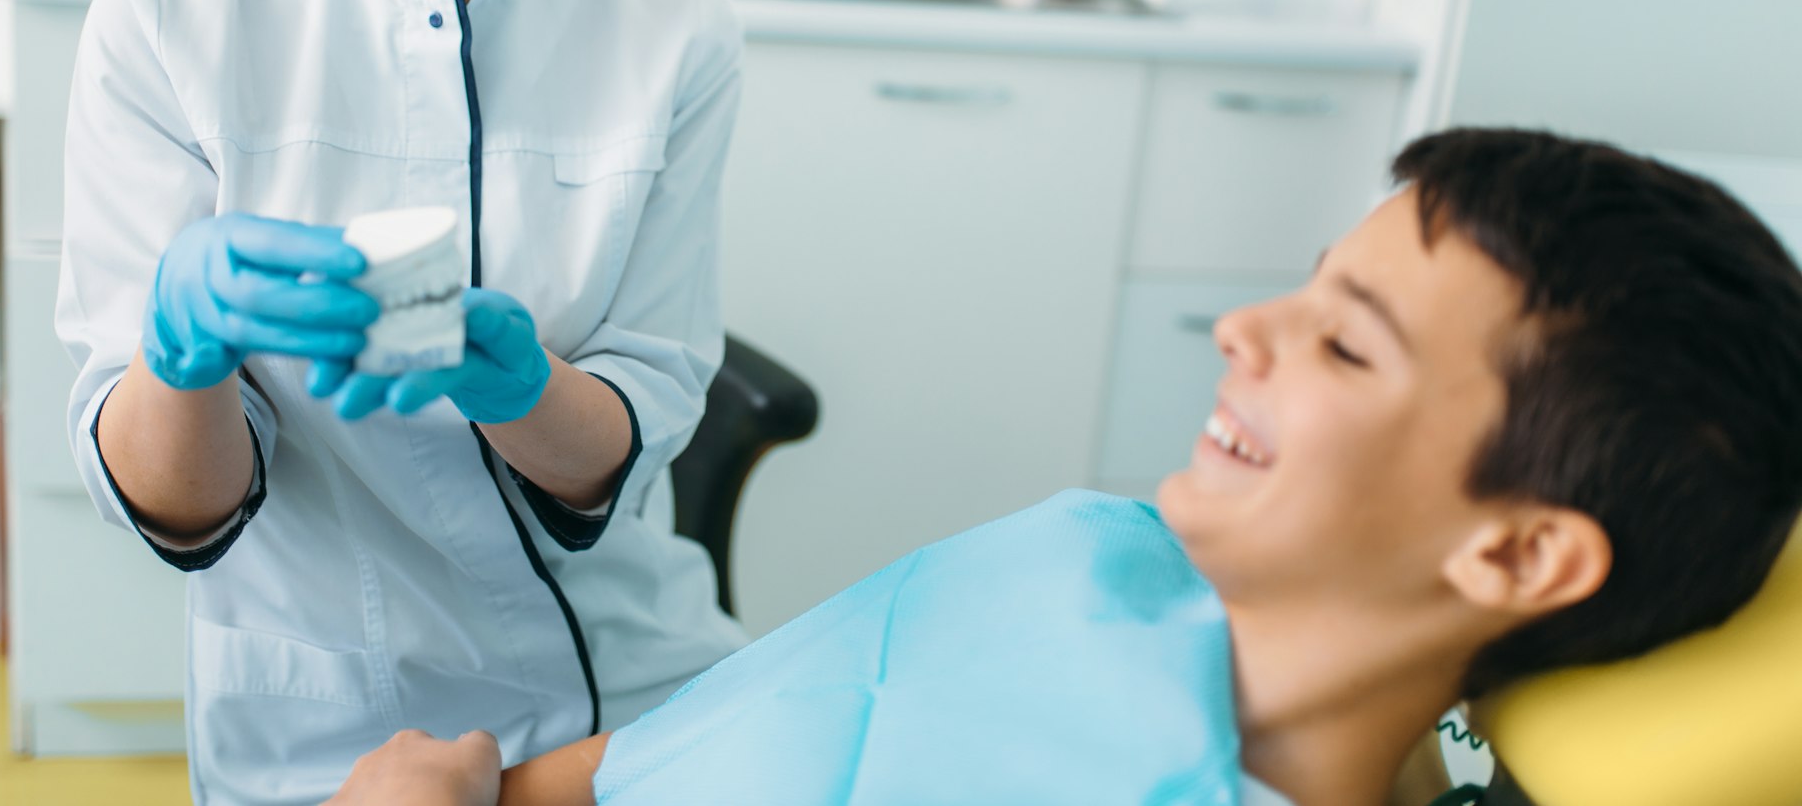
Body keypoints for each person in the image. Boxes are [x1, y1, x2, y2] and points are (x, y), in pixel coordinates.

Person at [326, 129, 1802, 806]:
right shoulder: (1092, 547)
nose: (1239, 331)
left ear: (1516, 556)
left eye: (1347, 349)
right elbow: (675, 757)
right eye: (1301, 287)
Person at [55, 0, 746, 802]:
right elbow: (173, 508)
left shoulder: (673, 35)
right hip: (331, 721)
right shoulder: (173, 26)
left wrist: (524, 389)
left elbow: (630, 429)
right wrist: (176, 344)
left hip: (628, 683)